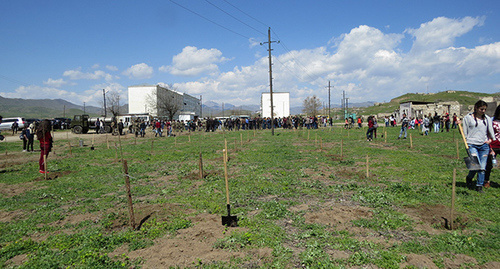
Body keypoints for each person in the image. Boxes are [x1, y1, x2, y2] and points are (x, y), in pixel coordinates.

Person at [462, 100, 495, 193]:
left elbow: (490, 131)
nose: (483, 111)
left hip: (484, 146)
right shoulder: (468, 118)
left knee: (482, 167)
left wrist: (490, 140)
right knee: (475, 165)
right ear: (476, 108)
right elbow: (464, 132)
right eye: (481, 109)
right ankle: (469, 178)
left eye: (485, 109)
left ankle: (479, 186)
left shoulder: (487, 119)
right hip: (472, 144)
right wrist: (467, 142)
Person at [485, 104, 500, 188]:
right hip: (493, 145)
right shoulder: (491, 120)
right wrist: (489, 146)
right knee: (489, 164)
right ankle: (486, 180)